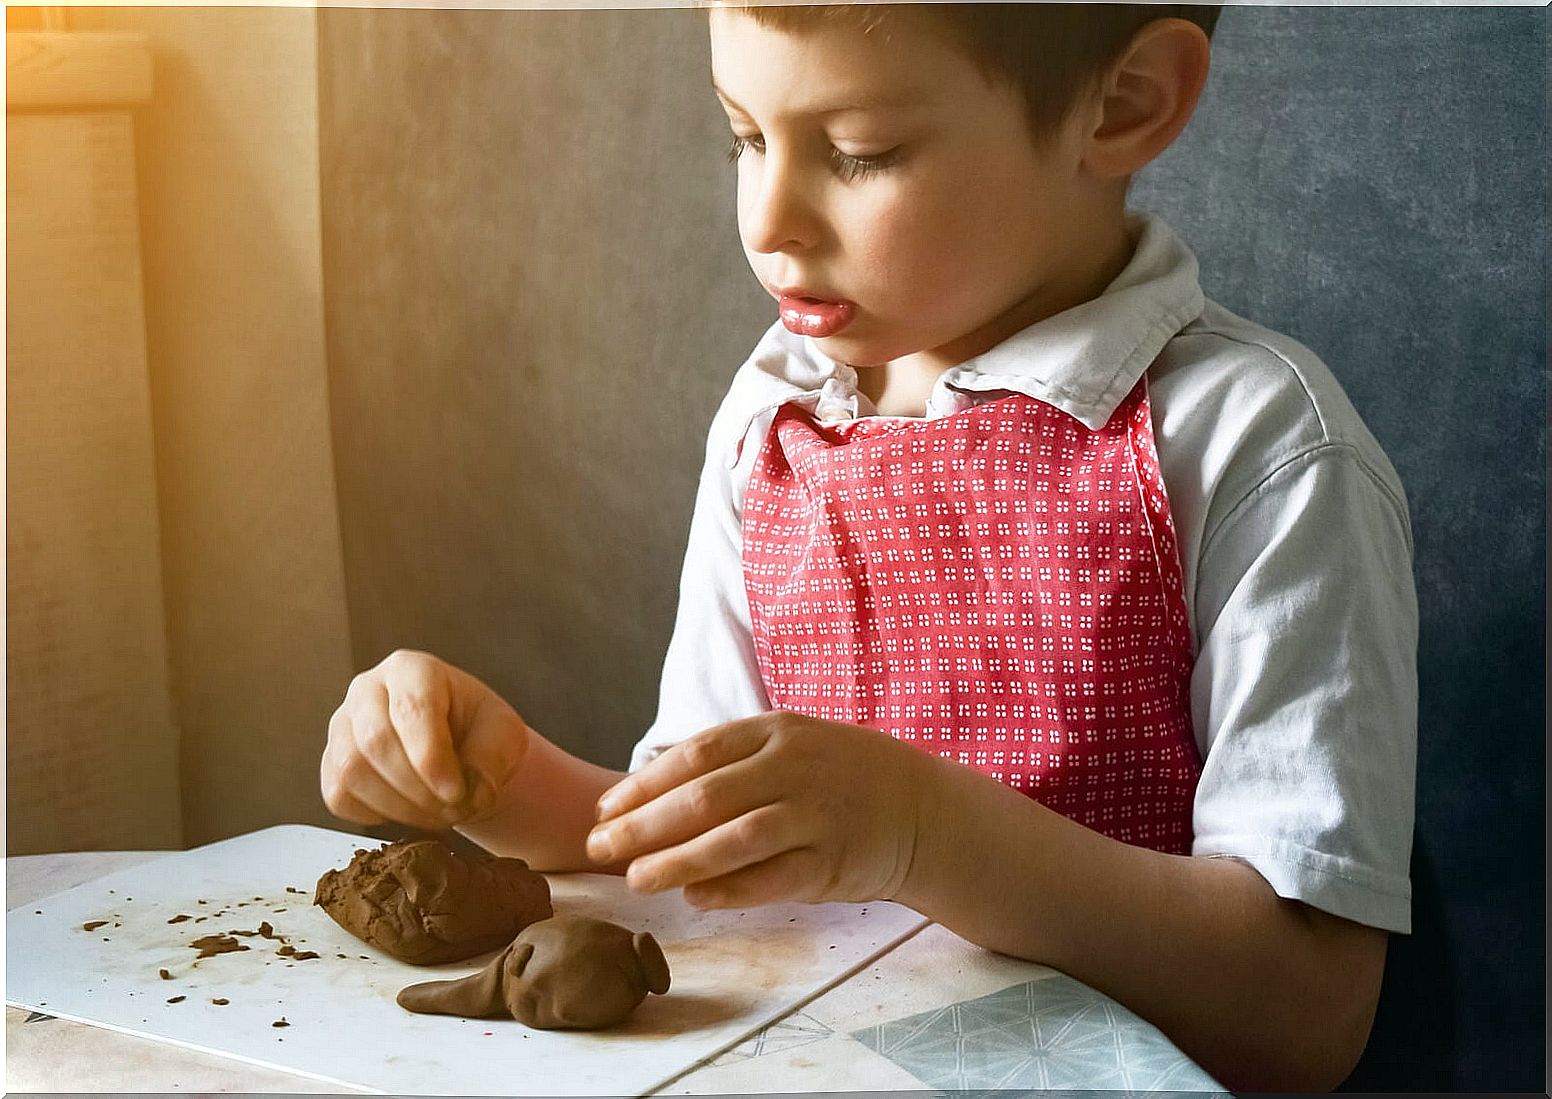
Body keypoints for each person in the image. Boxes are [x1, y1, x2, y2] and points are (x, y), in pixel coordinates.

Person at [319, 4, 1417, 1090]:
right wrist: (501, 779)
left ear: (1124, 106)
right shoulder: (774, 424)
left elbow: (1305, 1013)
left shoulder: (1256, 447)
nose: (768, 220)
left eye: (858, 152)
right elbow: (694, 838)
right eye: (744, 138)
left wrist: (923, 832)